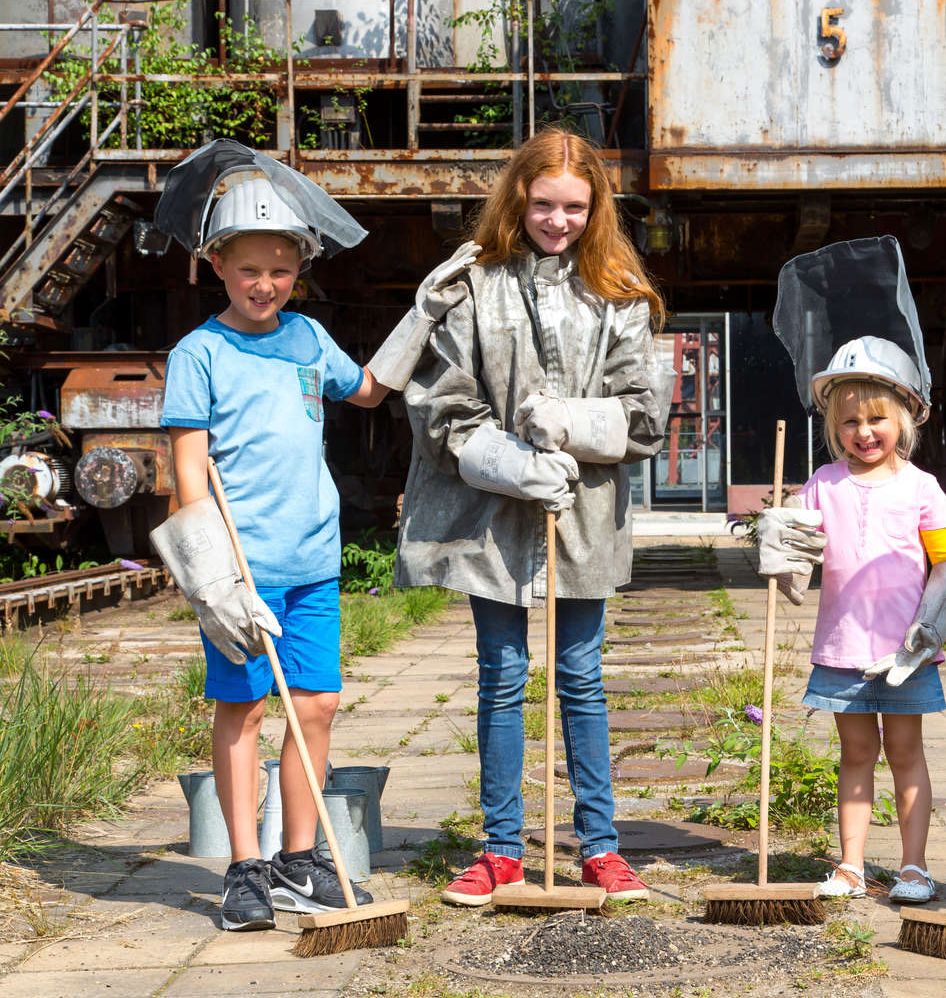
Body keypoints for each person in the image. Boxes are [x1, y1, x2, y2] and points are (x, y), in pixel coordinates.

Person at [153, 169, 473, 931]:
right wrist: (212, 577)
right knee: (244, 708)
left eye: (281, 269)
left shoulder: (304, 337)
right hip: (241, 572)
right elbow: (190, 469)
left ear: (300, 270)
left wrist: (424, 313)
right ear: (217, 267)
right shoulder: (200, 352)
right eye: (249, 269)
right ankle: (243, 869)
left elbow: (365, 389)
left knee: (317, 705)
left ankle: (300, 861)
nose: (265, 284)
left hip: (311, 562)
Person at [393, 127, 671, 907]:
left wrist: (573, 426)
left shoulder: (618, 293)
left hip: (583, 515)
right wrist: (512, 465)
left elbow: (643, 416)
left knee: (582, 678)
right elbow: (444, 407)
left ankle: (602, 849)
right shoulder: (471, 286)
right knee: (502, 676)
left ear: (597, 207)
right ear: (518, 194)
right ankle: (501, 851)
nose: (558, 221)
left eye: (575, 207)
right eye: (544, 203)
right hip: (491, 517)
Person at [758, 336, 946, 905]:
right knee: (855, 755)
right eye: (850, 420)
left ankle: (914, 867)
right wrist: (777, 545)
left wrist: (933, 624)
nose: (864, 431)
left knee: (906, 754)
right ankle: (851, 866)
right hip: (842, 647)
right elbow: (797, 558)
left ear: (905, 417)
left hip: (906, 653)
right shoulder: (823, 484)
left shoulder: (920, 486)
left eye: (878, 418)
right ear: (833, 425)